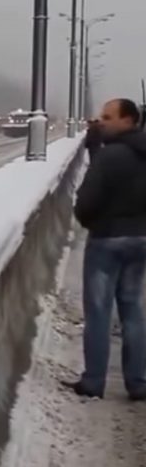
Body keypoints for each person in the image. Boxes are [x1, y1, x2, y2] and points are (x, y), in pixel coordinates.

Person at [66, 98, 146, 400]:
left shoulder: (111, 157)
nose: (102, 121)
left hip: (107, 241)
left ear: (128, 120)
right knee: (133, 310)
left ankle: (93, 382)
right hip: (141, 239)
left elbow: (86, 202)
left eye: (108, 117)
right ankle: (138, 383)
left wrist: (89, 222)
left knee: (99, 312)